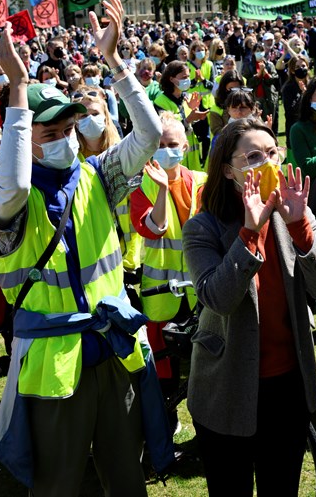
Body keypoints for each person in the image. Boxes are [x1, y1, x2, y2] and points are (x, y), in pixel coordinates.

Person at [0, 0, 161, 497]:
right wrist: (17, 90)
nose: (66, 138)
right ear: (25, 137)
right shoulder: (5, 201)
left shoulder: (98, 174)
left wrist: (115, 62)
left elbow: (147, 135)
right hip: (53, 363)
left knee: (127, 474)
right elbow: (16, 184)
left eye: (69, 129)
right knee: (57, 483)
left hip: (111, 347)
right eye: (52, 132)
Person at [182, 118, 316, 496]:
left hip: (287, 388)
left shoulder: (294, 213)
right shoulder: (203, 227)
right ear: (227, 170)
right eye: (253, 156)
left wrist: (301, 226)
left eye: (272, 153)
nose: (267, 163)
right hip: (226, 388)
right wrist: (250, 233)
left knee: (281, 487)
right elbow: (217, 298)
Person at [130, 113, 206, 433]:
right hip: (161, 295)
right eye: (159, 145)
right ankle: (164, 430)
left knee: (205, 364)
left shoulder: (202, 181)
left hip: (199, 290)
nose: (165, 150)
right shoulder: (141, 184)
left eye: (172, 144)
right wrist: (162, 191)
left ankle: (207, 423)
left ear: (185, 146)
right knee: (164, 369)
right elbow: (153, 229)